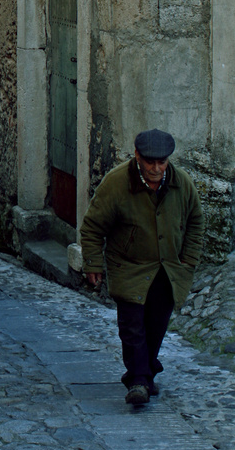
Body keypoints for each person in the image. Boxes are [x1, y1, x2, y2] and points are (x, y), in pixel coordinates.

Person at [80, 128, 203, 406]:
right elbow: (92, 227)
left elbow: (196, 221)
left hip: (168, 268)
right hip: (129, 266)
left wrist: (188, 259)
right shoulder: (116, 183)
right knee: (132, 326)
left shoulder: (181, 184)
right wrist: (93, 263)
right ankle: (137, 381)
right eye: (150, 162)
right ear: (137, 156)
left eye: (162, 162)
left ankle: (146, 374)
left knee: (156, 325)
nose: (156, 168)